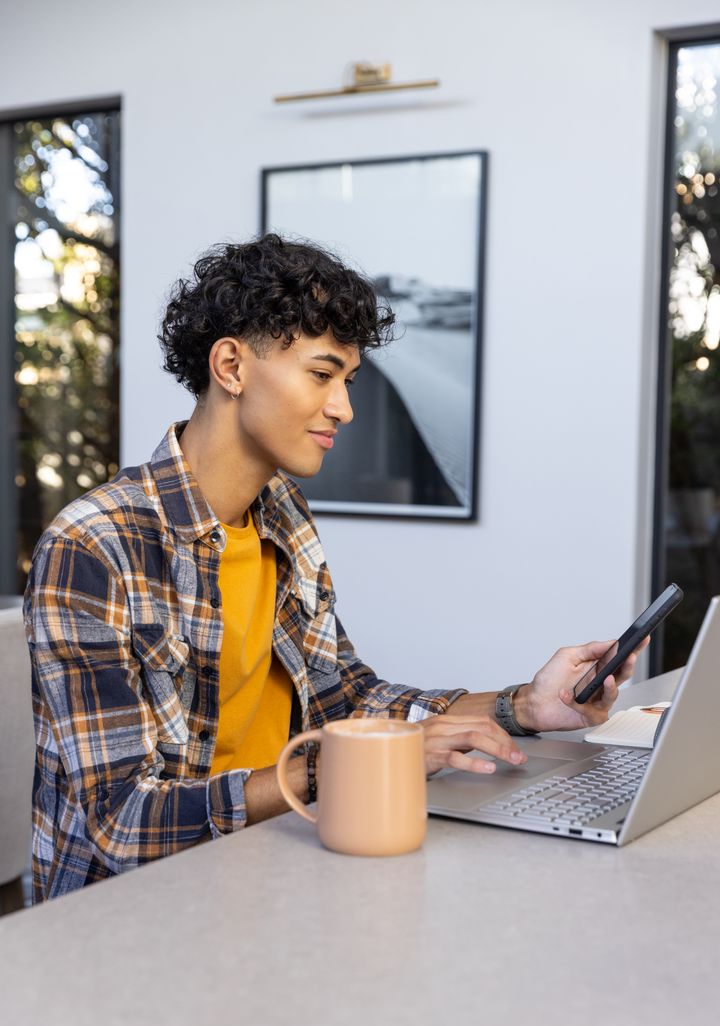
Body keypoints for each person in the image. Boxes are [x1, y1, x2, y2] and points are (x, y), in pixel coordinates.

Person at [24, 234, 643, 901]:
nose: (344, 408)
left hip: (272, 868)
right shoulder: (95, 546)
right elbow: (124, 821)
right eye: (322, 375)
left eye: (347, 381)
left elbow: (345, 698)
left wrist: (525, 704)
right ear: (231, 366)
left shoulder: (282, 513)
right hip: (127, 918)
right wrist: (351, 763)